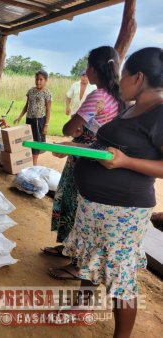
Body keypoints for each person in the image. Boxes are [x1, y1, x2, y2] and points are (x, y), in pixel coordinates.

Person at [63, 47, 163, 337]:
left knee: (121, 274)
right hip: (95, 205)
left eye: (125, 75)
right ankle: (82, 307)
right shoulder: (132, 107)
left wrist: (126, 162)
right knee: (91, 257)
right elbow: (108, 148)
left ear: (139, 77)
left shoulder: (159, 113)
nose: (119, 82)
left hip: (123, 211)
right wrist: (77, 150)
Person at [43, 46, 123, 278]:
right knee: (82, 208)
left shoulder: (97, 96)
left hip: (85, 162)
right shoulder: (118, 97)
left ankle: (77, 265)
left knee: (76, 208)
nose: (86, 70)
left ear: (96, 69)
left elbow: (70, 127)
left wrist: (71, 131)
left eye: (88, 65)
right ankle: (70, 250)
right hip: (99, 162)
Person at [14, 70, 52, 166]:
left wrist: (46, 125)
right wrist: (19, 117)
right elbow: (26, 106)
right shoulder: (31, 91)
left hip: (39, 120)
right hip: (29, 119)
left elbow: (48, 110)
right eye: (37, 79)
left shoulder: (47, 93)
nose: (38, 81)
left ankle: (34, 163)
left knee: (37, 141)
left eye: (41, 79)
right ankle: (29, 160)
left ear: (45, 80)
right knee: (28, 138)